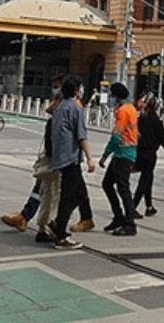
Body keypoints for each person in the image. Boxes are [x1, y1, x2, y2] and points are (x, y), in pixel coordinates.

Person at [1, 76, 65, 239]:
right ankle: (34, 222)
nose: (54, 89)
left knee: (58, 193)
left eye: (56, 87)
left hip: (61, 158)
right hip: (54, 156)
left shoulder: (68, 105)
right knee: (44, 189)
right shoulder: (60, 103)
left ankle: (46, 224)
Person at [48, 75, 97, 249]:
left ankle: (59, 224)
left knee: (80, 193)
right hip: (70, 159)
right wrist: (90, 158)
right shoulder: (75, 109)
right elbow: (81, 136)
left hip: (61, 157)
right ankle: (60, 234)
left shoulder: (60, 107)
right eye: (80, 87)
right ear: (76, 90)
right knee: (68, 196)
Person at [99, 82, 139, 236]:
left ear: (116, 96)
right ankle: (118, 217)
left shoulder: (123, 111)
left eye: (111, 94)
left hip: (124, 153)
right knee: (108, 184)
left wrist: (104, 156)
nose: (109, 96)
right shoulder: (131, 108)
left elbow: (117, 135)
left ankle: (129, 223)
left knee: (123, 188)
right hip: (125, 153)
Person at [133, 92, 164, 217]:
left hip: (139, 152)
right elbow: (162, 137)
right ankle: (132, 207)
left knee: (148, 179)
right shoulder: (156, 120)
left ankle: (149, 206)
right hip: (149, 154)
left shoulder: (140, 118)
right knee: (144, 180)